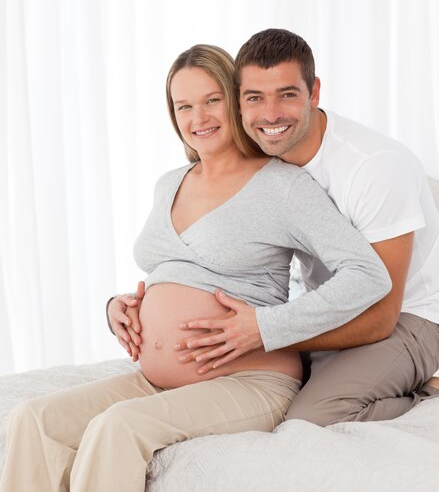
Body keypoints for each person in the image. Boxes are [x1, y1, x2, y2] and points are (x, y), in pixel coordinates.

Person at [0, 45, 391, 492]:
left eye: (211, 100)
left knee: (118, 427)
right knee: (33, 419)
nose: (198, 117)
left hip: (251, 380)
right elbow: (172, 270)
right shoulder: (170, 184)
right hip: (159, 382)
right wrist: (117, 309)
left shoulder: (282, 186)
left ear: (235, 98)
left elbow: (367, 274)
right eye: (183, 105)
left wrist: (267, 326)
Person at [172, 29, 439, 426]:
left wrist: (268, 331)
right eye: (254, 98)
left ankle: (427, 398)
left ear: (314, 92)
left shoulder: (374, 167)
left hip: (409, 317)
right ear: (239, 103)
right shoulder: (262, 163)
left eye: (287, 94)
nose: (271, 114)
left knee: (312, 418)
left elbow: (382, 315)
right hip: (331, 309)